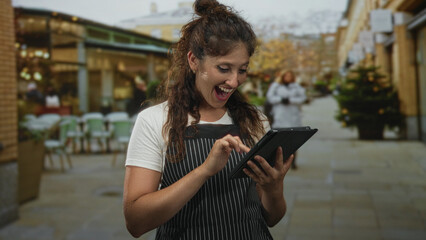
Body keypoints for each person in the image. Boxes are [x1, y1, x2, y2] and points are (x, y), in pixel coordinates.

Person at [123, 0, 294, 239]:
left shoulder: (256, 120)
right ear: (194, 61)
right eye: (224, 68)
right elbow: (136, 221)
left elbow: (272, 218)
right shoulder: (155, 120)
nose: (234, 81)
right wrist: (204, 170)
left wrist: (273, 187)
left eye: (242, 69)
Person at [266, 70, 307, 169]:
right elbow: (270, 97)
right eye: (286, 75)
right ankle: (279, 161)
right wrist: (280, 100)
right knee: (280, 140)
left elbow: (302, 98)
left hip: (293, 116)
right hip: (280, 116)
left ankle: (293, 161)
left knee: (293, 140)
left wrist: (291, 100)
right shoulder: (276, 86)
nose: (288, 77)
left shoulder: (296, 87)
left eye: (290, 76)